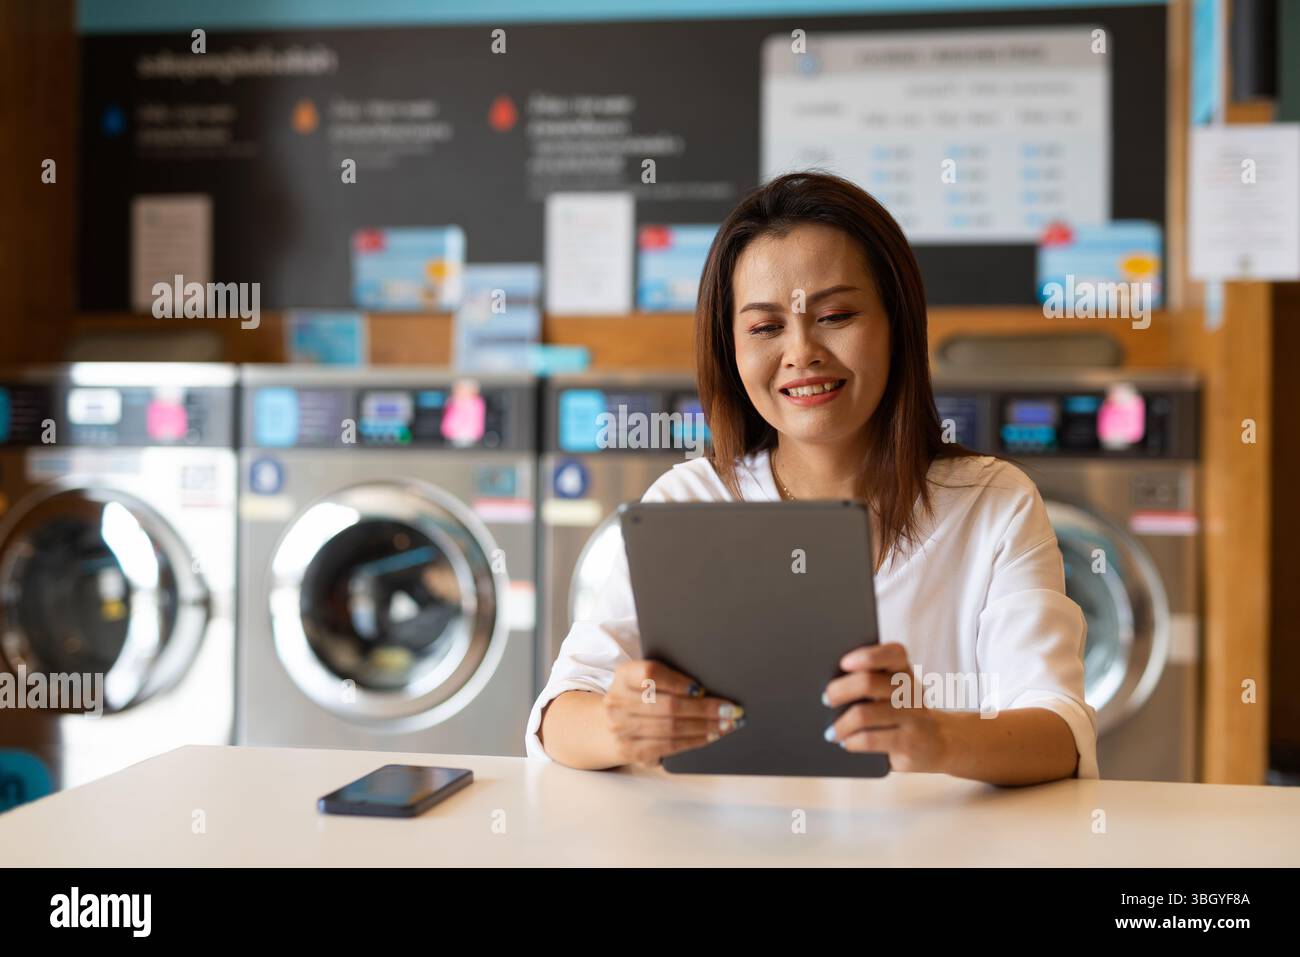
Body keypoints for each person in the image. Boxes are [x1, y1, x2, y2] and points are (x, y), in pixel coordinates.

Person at [527, 171, 1096, 785]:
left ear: (897, 325)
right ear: (731, 348)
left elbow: (1060, 735)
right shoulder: (690, 501)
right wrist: (621, 725)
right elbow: (558, 716)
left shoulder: (995, 504)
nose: (801, 352)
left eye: (836, 314)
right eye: (766, 327)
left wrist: (933, 737)